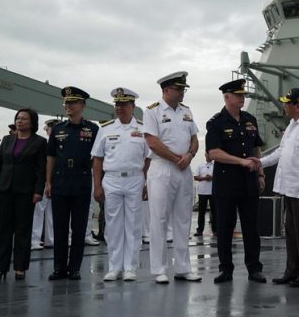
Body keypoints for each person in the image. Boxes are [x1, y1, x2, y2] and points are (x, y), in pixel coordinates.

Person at [206, 79, 266, 284]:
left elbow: (257, 147)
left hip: (249, 181)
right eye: (238, 95)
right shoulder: (216, 123)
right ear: (226, 97)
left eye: (243, 95)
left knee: (251, 227)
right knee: (225, 228)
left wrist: (260, 173)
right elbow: (213, 152)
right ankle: (225, 269)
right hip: (226, 183)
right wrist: (240, 161)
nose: (242, 98)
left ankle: (254, 268)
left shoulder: (250, 120)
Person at [260, 88, 299, 288]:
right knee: (291, 233)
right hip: (289, 188)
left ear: (298, 105)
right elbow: (281, 152)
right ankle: (292, 271)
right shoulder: (292, 126)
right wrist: (259, 162)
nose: (284, 106)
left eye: (288, 103)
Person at [144, 71, 201, 284]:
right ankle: (159, 269)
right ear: (166, 90)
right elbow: (152, 142)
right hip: (162, 168)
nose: (182, 92)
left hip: (183, 169)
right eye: (179, 89)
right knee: (159, 219)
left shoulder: (186, 111)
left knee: (183, 219)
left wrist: (190, 155)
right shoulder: (153, 111)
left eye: (183, 89)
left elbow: (194, 138)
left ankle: (183, 268)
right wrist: (177, 158)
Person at [92, 87, 150, 282]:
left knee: (133, 225)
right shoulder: (105, 129)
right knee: (113, 225)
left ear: (133, 106)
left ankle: (130, 267)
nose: (119, 108)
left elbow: (148, 158)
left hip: (135, 178)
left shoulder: (143, 129)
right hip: (112, 180)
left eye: (124, 104)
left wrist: (146, 183)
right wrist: (97, 186)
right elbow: (97, 160)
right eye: (117, 104)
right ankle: (114, 267)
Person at [45, 87, 99, 280]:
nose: (68, 106)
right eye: (66, 103)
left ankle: (74, 267)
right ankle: (59, 267)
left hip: (81, 181)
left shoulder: (92, 129)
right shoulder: (58, 129)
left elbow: (97, 157)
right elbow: (51, 156)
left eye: (72, 103)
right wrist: (48, 182)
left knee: (79, 227)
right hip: (60, 181)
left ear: (82, 106)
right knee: (59, 227)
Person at [0, 108, 46, 280]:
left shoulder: (39, 142)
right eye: (18, 118)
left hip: (26, 191)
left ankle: (20, 267)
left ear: (32, 122)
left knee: (22, 229)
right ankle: (0, 267)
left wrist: (38, 190)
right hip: (5, 189)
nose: (20, 121)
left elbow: (41, 169)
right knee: (3, 229)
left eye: (24, 119)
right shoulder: (7, 140)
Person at [31, 119, 59, 250]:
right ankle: (34, 239)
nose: (52, 132)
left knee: (52, 212)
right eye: (50, 129)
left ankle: (51, 239)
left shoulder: (59, 144)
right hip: (43, 180)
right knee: (39, 210)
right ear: (47, 131)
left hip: (56, 180)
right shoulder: (43, 144)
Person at [193, 154, 215, 237]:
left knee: (215, 212)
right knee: (201, 212)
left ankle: (215, 230)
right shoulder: (200, 165)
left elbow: (219, 176)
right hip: (202, 192)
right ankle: (199, 230)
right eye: (207, 155)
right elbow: (195, 177)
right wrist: (205, 178)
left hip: (213, 191)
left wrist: (212, 177)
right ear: (205, 155)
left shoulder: (216, 165)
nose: (208, 156)